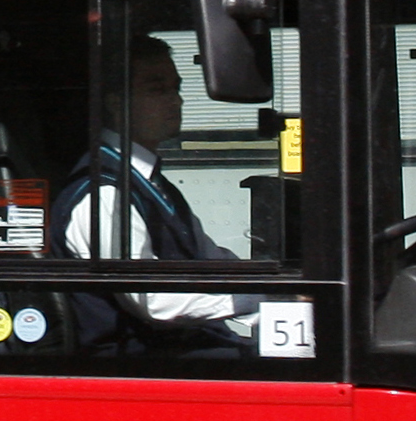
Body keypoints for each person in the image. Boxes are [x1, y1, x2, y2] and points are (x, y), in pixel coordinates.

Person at [45, 34, 259, 352]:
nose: (176, 101)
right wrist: (254, 299)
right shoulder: (104, 195)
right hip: (140, 367)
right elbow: (154, 303)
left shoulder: (150, 183)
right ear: (117, 103)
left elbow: (209, 260)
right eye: (157, 90)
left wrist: (274, 282)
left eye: (176, 88)